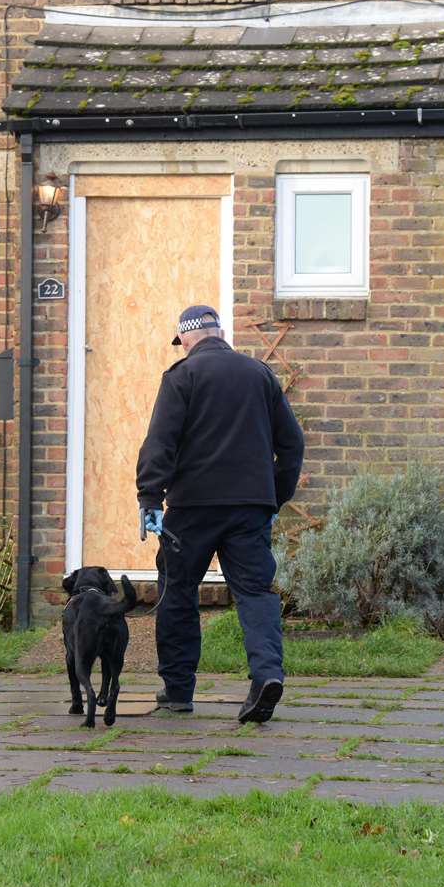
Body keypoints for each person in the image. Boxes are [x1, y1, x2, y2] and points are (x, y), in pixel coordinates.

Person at [136, 305, 304, 724]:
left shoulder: (181, 376)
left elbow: (161, 442)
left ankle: (177, 691)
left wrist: (150, 498)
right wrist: (273, 499)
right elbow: (293, 443)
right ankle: (267, 675)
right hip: (249, 507)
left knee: (177, 591)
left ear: (186, 339)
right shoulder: (259, 374)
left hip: (191, 509)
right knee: (254, 592)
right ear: (221, 332)